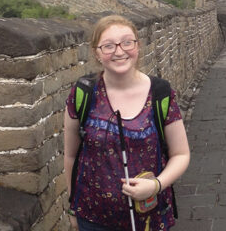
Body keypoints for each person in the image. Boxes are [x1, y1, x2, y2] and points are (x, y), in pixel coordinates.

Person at [64, 15, 191, 231]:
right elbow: (71, 156)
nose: (119, 51)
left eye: (127, 42)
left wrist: (155, 185)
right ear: (97, 52)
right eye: (108, 46)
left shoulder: (160, 94)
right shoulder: (83, 93)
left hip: (150, 218)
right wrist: (73, 208)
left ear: (137, 46)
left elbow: (181, 154)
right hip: (93, 218)